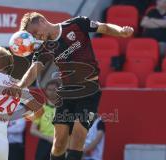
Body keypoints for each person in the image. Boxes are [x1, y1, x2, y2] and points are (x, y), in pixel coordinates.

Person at [8, 12, 133, 160]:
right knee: (60, 142)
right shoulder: (44, 48)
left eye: (35, 32)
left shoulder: (77, 24)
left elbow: (104, 27)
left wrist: (121, 31)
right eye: (33, 36)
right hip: (66, 93)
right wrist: (21, 85)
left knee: (78, 137)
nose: (36, 37)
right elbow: (34, 69)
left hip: (89, 91)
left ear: (42, 20)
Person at [31, 80, 60, 160]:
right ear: (46, 91)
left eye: (54, 90)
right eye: (49, 90)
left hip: (59, 144)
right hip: (44, 143)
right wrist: (48, 138)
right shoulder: (40, 108)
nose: (52, 92)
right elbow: (32, 130)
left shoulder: (64, 109)